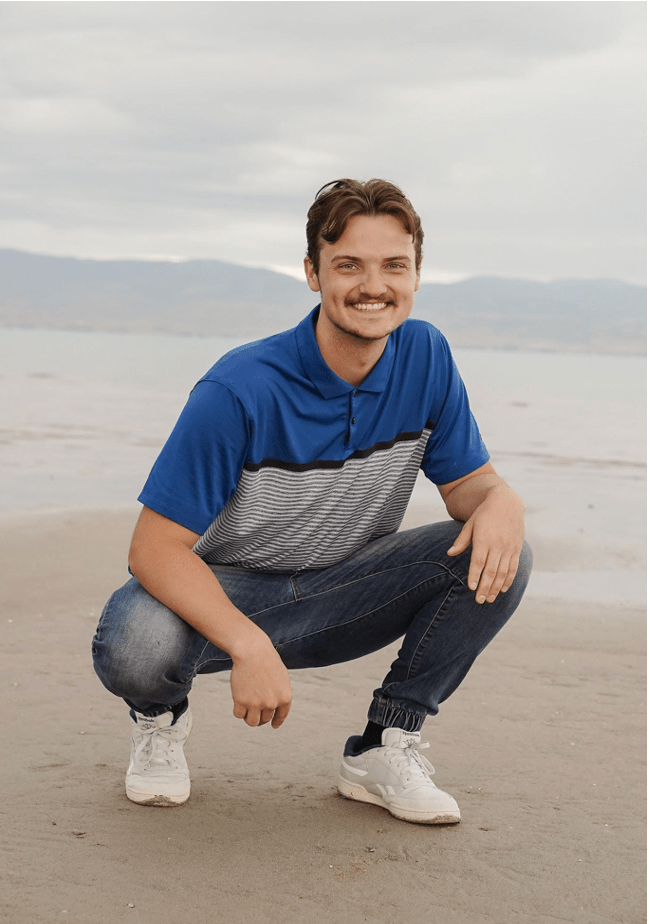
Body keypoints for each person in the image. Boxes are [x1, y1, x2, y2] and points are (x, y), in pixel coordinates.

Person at [93, 178, 532, 825]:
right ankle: (160, 721)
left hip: (348, 590)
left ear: (415, 275)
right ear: (312, 272)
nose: (373, 285)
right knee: (134, 640)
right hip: (231, 595)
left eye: (394, 266)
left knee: (499, 553)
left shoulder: (427, 357)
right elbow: (153, 549)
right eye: (348, 264)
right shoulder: (240, 388)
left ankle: (385, 745)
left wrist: (503, 501)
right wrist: (246, 643)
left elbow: (473, 489)